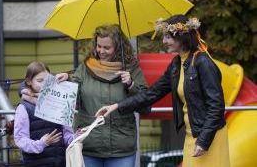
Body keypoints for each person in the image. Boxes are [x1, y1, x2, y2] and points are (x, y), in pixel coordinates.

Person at [96, 15, 230, 167]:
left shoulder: (203, 62)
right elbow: (151, 94)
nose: (164, 41)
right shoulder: (176, 64)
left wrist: (204, 141)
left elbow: (217, 106)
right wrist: (116, 106)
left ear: (182, 37)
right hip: (192, 136)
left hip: (209, 137)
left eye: (167, 37)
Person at [53, 24, 148, 167]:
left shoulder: (132, 70)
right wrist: (66, 79)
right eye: (99, 46)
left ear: (118, 47)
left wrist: (131, 85)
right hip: (89, 146)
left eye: (107, 48)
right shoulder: (85, 67)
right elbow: (74, 88)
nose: (101, 51)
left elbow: (145, 105)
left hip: (121, 149)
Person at [14, 61, 75, 167]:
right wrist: (41, 143)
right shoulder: (24, 108)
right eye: (39, 80)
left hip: (60, 162)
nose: (44, 84)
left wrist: (77, 137)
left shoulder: (60, 102)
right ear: (29, 82)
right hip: (35, 162)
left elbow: (67, 135)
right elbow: (20, 139)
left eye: (47, 80)